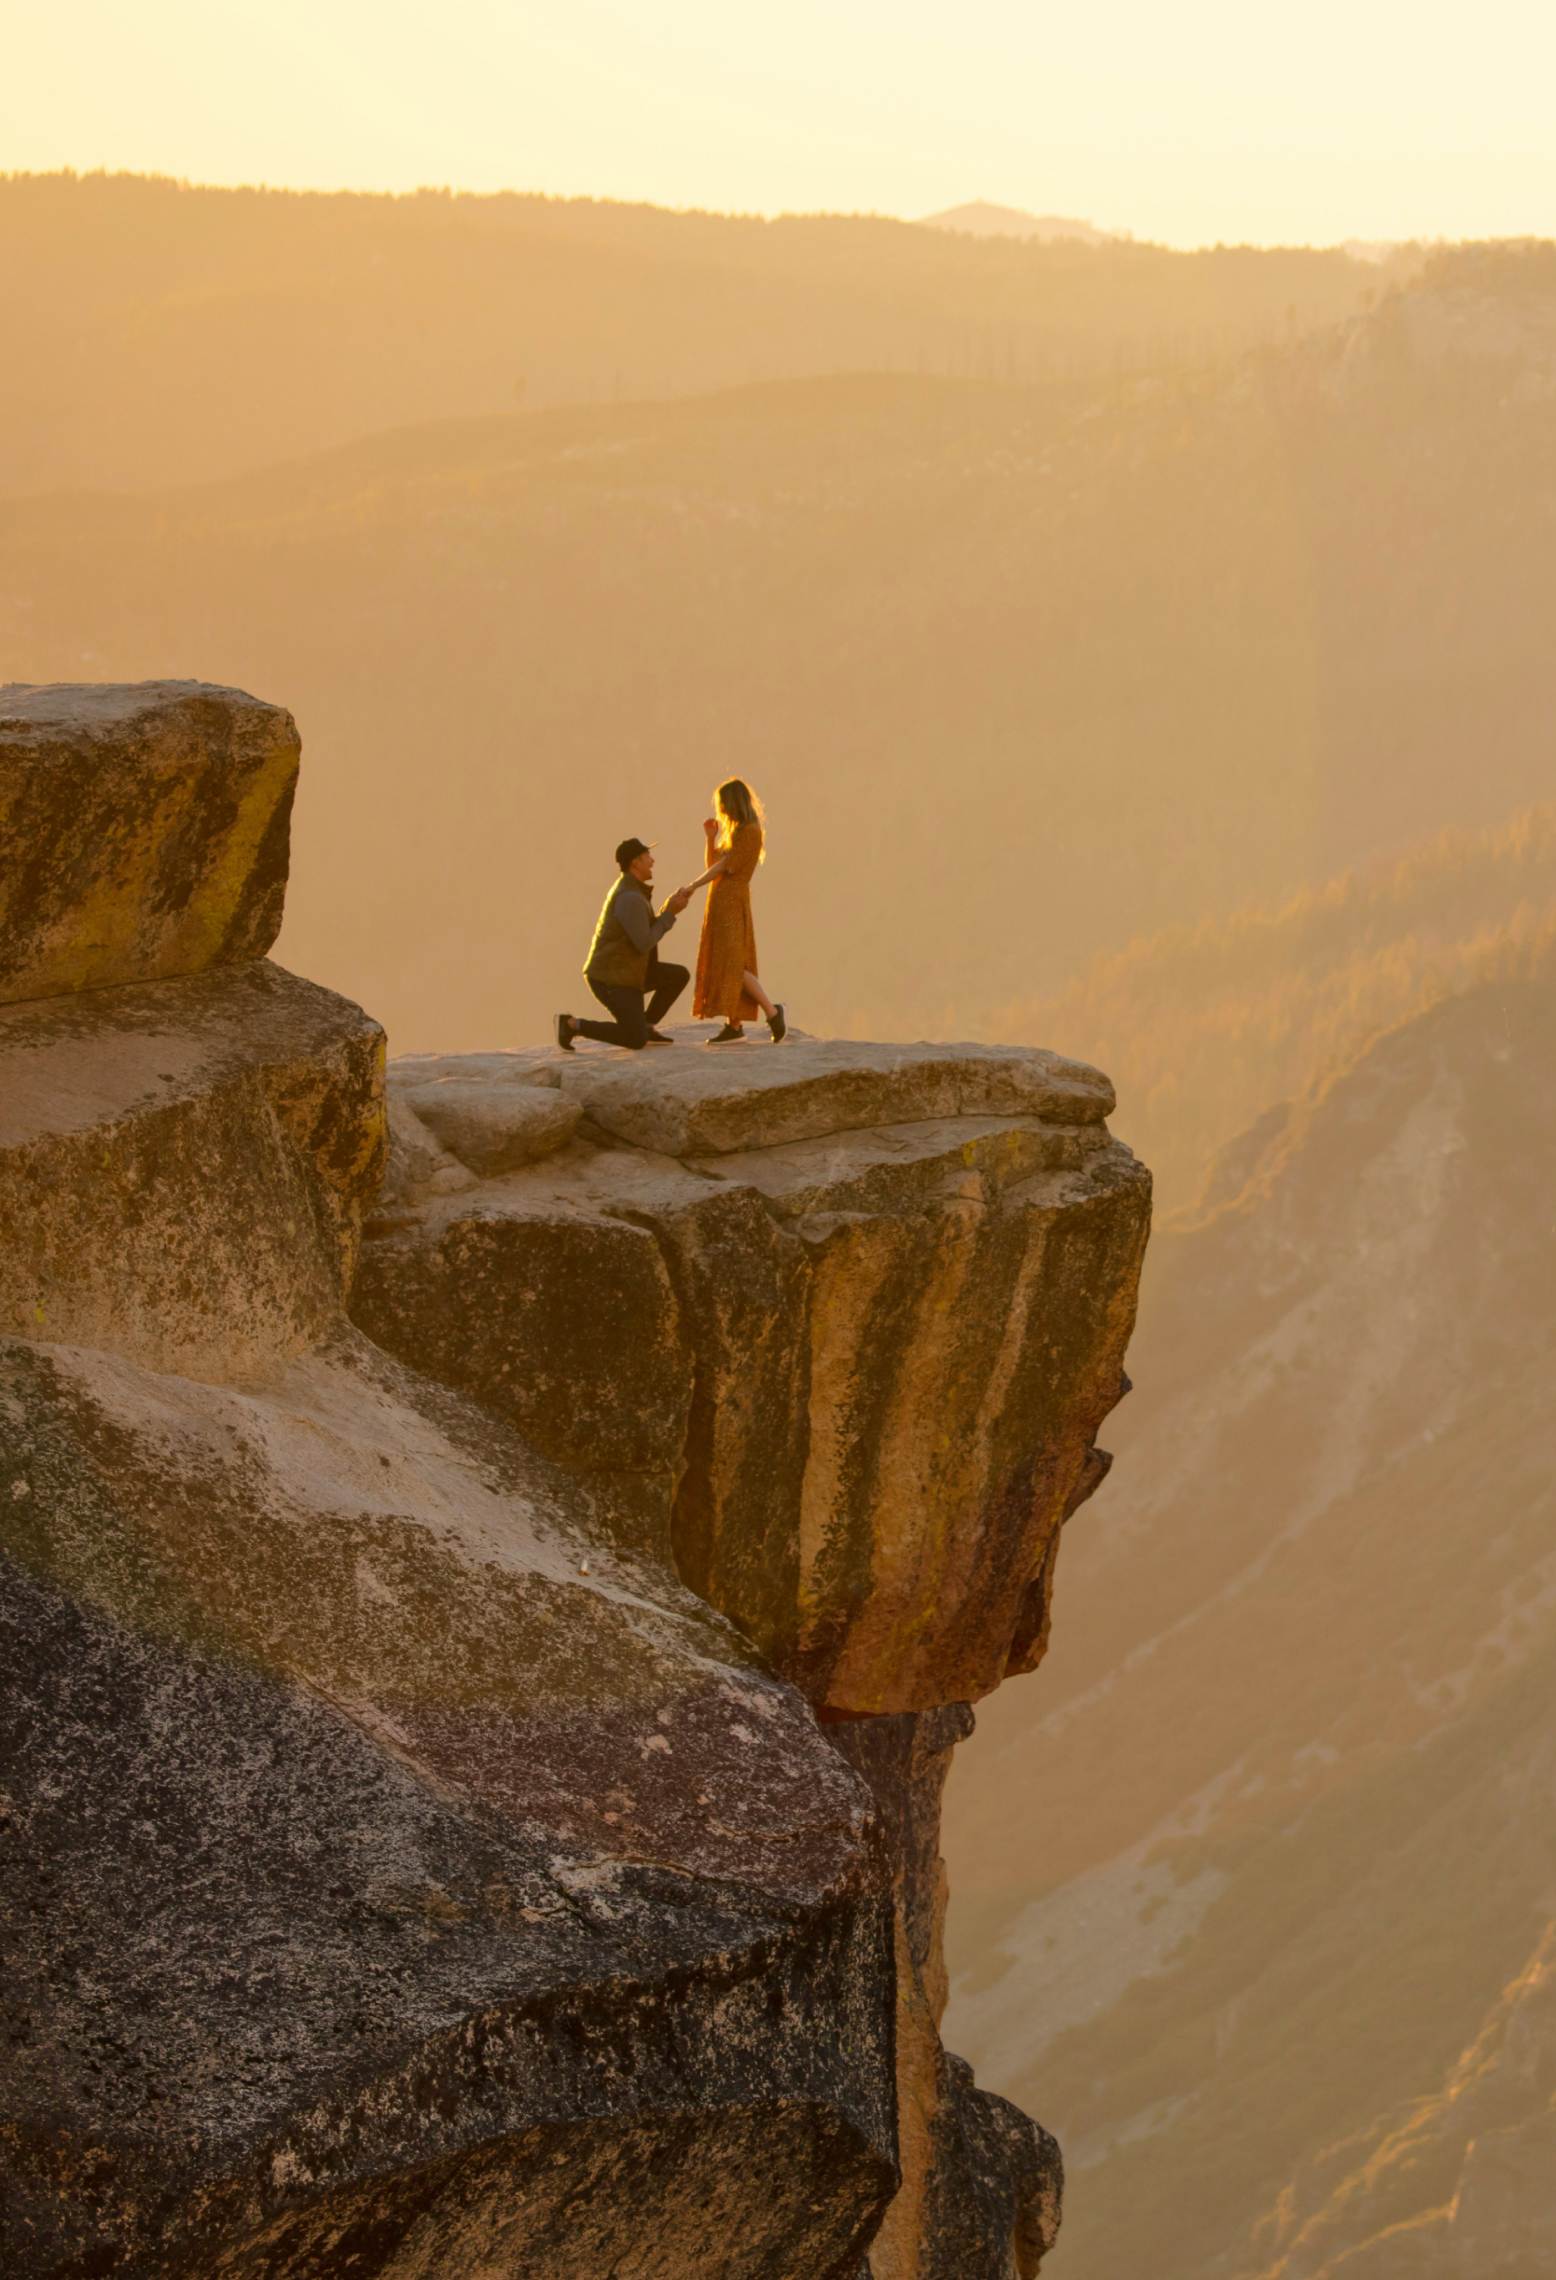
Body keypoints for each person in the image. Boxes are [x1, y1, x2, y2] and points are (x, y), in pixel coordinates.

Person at [555, 837, 693, 1051]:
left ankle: (645, 1025)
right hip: (613, 979)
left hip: (630, 972)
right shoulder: (630, 897)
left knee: (678, 975)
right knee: (634, 1039)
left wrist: (667, 909)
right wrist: (670, 914)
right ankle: (572, 1025)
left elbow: (642, 932)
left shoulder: (634, 892)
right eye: (648, 856)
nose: (653, 861)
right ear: (635, 862)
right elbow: (644, 942)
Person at [687, 778, 786, 1044]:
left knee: (734, 964)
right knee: (725, 961)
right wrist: (710, 839)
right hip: (720, 901)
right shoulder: (736, 831)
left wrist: (693, 885)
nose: (721, 809)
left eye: (723, 804)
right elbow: (714, 862)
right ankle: (734, 1023)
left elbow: (723, 867)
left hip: (732, 901)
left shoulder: (750, 832)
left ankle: (773, 1012)